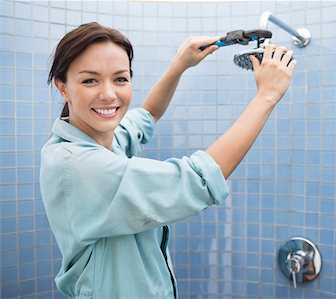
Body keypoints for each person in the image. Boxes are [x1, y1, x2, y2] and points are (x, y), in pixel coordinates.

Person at [40, 22, 296, 299]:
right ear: (63, 87)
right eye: (90, 80)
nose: (109, 94)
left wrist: (179, 65)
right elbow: (196, 180)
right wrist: (267, 96)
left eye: (120, 79)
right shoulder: (76, 165)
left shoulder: (103, 137)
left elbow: (147, 115)